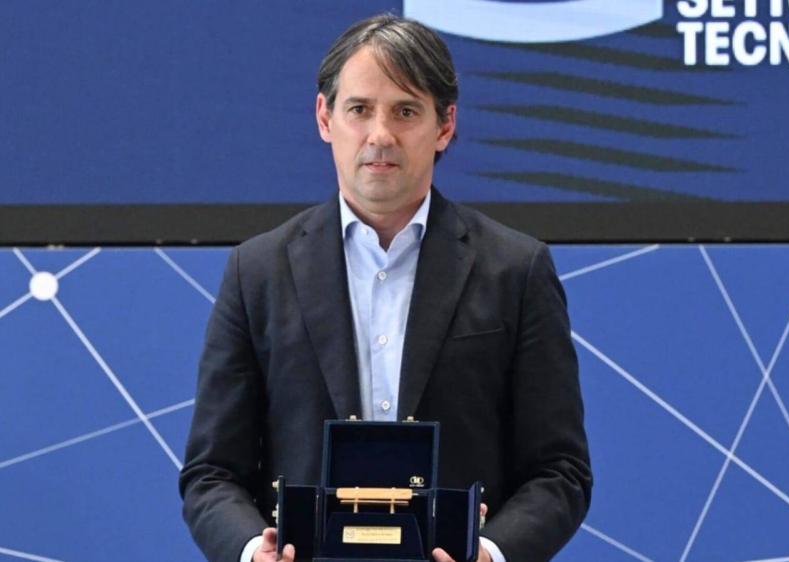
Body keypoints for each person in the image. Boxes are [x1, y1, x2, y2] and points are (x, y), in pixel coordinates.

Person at [179, 13, 592, 562]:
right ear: (324, 118)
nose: (380, 135)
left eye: (405, 111)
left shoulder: (516, 270)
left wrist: (490, 553)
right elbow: (211, 472)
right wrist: (254, 549)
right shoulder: (257, 272)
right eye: (359, 109)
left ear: (445, 125)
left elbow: (560, 470)